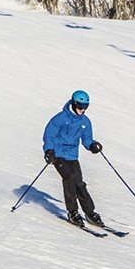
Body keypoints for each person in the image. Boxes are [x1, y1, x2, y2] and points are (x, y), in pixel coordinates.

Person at [42, 90, 104, 228]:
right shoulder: (60, 118)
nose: (83, 109)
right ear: (74, 103)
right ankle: (73, 212)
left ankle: (90, 212)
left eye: (85, 106)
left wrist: (92, 145)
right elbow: (49, 135)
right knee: (69, 178)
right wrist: (49, 151)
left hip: (72, 156)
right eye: (80, 106)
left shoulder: (85, 122)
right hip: (57, 154)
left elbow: (87, 140)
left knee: (79, 183)